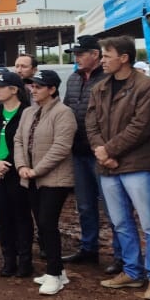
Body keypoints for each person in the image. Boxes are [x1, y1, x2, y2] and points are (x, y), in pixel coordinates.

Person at [85, 36, 150, 300]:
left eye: (107, 56)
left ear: (124, 57)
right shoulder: (99, 88)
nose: (102, 60)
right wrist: (102, 152)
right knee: (120, 222)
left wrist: (109, 151)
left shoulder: (145, 87)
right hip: (108, 167)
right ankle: (132, 272)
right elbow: (91, 123)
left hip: (137, 166)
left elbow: (141, 126)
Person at [15, 70, 76, 295]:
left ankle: (53, 273)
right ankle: (58, 271)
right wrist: (22, 167)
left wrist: (36, 170)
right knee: (42, 224)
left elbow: (61, 147)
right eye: (32, 86)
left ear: (52, 89)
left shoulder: (63, 113)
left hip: (54, 179)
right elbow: (18, 140)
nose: (33, 90)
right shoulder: (28, 112)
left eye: (39, 86)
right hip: (30, 177)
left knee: (48, 223)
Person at [61, 35, 118, 271]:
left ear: (95, 55)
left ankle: (120, 255)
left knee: (112, 206)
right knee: (84, 205)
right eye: (75, 55)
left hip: (102, 152)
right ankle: (89, 249)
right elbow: (66, 110)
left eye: (80, 54)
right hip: (78, 151)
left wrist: (108, 148)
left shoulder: (109, 79)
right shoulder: (74, 79)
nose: (76, 58)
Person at [0, 70, 33, 277]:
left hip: (16, 172)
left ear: (14, 90)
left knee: (21, 216)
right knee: (2, 217)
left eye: (0, 87)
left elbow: (27, 144)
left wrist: (8, 164)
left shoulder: (26, 113)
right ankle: (8, 259)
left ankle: (25, 260)